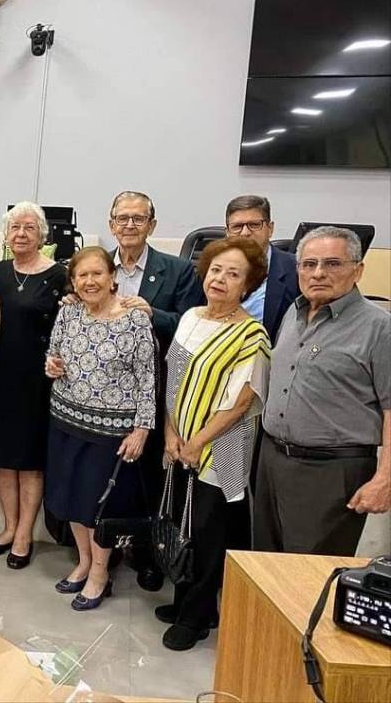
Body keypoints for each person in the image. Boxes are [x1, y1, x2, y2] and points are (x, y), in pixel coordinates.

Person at [158, 237, 271, 651]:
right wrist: (171, 434)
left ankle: (199, 615)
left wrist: (198, 442)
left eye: (233, 274)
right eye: (216, 270)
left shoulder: (252, 336)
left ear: (248, 285)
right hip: (180, 440)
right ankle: (183, 600)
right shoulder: (190, 316)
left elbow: (240, 403)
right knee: (183, 523)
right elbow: (173, 380)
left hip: (222, 449)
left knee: (209, 532)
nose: (220, 279)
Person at [255, 226, 390, 556]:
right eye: (309, 264)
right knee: (266, 563)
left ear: (358, 270)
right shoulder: (294, 312)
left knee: (309, 573)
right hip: (273, 461)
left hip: (330, 472)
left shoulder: (379, 327)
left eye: (332, 264)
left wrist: (385, 478)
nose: (318, 273)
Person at [44, 246, 155, 610]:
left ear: (112, 277)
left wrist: (142, 429)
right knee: (72, 500)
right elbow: (53, 354)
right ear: (73, 281)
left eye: (97, 274)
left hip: (110, 433)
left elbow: (147, 379)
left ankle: (99, 573)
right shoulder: (68, 312)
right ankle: (83, 562)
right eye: (82, 276)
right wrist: (52, 366)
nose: (89, 281)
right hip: (66, 420)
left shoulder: (135, 320)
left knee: (98, 507)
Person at [108, 190, 203, 592]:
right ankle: (107, 548)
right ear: (111, 224)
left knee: (147, 476)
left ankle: (148, 555)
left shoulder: (178, 270)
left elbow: (193, 325)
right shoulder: (99, 267)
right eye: (122, 218)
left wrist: (154, 313)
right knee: (108, 473)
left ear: (152, 225)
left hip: (157, 388)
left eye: (138, 218)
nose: (130, 225)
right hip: (106, 395)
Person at [0, 202, 67, 569]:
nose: (21, 234)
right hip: (0, 377)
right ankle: (8, 526)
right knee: (2, 459)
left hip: (37, 382)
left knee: (30, 462)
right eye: (15, 227)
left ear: (42, 235)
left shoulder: (60, 275)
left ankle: (24, 535)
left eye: (29, 228)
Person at [224, 195, 298, 340]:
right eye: (237, 227)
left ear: (270, 228)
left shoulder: (296, 269)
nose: (245, 233)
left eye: (254, 224)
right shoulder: (213, 269)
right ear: (227, 233)